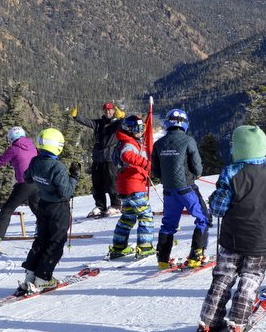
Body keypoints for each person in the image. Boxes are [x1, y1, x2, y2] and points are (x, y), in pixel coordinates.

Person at [193, 125, 266, 332]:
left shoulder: (231, 172)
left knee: (223, 278)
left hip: (231, 239)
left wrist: (217, 197)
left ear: (239, 150)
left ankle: (208, 322)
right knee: (251, 278)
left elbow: (218, 208)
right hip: (261, 239)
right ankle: (237, 322)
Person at [18, 128, 80, 294]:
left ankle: (30, 276)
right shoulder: (57, 167)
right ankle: (43, 279)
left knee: (41, 240)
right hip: (58, 208)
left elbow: (27, 177)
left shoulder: (35, 161)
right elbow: (66, 192)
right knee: (55, 242)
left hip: (43, 205)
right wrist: (74, 177)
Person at [151, 108, 209, 269]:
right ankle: (196, 255)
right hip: (187, 188)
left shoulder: (158, 143)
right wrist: (194, 174)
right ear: (184, 124)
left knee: (168, 224)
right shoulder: (188, 141)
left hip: (169, 190)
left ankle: (162, 259)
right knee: (203, 218)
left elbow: (155, 171)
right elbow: (197, 167)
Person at [107, 115, 155, 259]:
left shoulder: (126, 140)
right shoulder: (128, 143)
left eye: (142, 128)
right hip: (133, 186)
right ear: (129, 129)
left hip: (125, 185)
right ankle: (145, 247)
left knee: (128, 217)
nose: (141, 131)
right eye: (138, 129)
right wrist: (145, 163)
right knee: (145, 215)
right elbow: (127, 155)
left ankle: (119, 247)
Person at [0, 126, 39, 247]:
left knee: (7, 210)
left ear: (11, 138)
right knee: (36, 207)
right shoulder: (32, 145)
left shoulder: (13, 149)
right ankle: (43, 230)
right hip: (37, 182)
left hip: (24, 184)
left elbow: (1, 160)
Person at [72, 101, 124, 217]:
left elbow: (125, 123)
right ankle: (100, 206)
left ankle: (116, 205)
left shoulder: (116, 124)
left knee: (112, 183)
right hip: (97, 158)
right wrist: (76, 116)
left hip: (110, 158)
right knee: (97, 184)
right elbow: (88, 122)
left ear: (114, 111)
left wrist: (122, 117)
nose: (108, 111)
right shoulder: (99, 123)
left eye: (110, 110)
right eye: (106, 110)